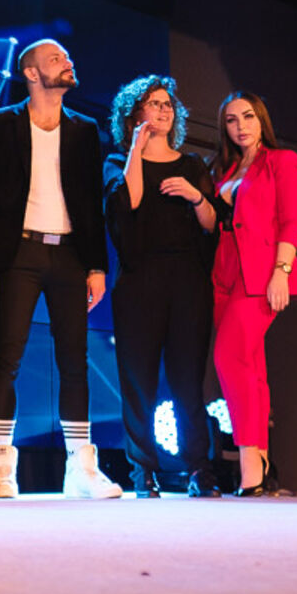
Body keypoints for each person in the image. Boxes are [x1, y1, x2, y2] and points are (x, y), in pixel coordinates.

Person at [0, 40, 116, 500]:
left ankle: (81, 467)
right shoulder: (0, 123)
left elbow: (92, 203)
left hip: (70, 254)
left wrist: (96, 265)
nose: (68, 62)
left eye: (67, 57)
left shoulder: (84, 129)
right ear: (32, 74)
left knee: (74, 359)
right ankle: (1, 465)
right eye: (56, 59)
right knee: (8, 355)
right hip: (20, 250)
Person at [102, 74, 220, 497]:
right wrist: (137, 147)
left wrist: (195, 195)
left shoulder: (191, 166)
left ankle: (198, 468)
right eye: (154, 103)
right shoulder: (117, 162)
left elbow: (212, 223)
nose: (164, 110)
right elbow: (128, 202)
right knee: (139, 379)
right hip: (139, 280)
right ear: (134, 113)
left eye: (168, 104)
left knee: (188, 378)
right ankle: (143, 471)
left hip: (187, 279)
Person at [209, 91, 297, 497]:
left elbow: (293, 220)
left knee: (229, 358)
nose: (241, 126)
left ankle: (249, 459)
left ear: (261, 119)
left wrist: (281, 272)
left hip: (261, 272)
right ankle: (262, 457)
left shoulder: (281, 161)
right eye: (231, 120)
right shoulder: (225, 168)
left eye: (248, 116)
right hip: (223, 273)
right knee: (250, 368)